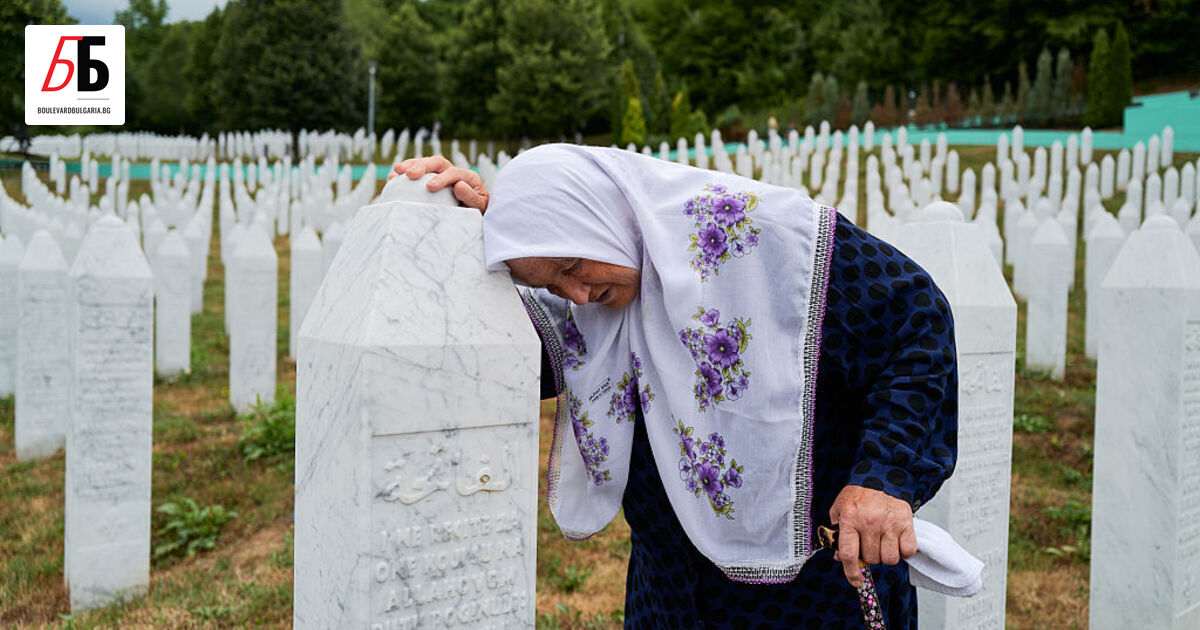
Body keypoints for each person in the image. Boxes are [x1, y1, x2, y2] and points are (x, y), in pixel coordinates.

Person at [391, 145, 957, 629]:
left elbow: (917, 321)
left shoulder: (765, 237)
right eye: (555, 284)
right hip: (669, 591)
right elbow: (522, 366)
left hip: (808, 591)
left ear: (600, 218)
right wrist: (459, 234)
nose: (578, 294)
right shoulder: (592, 291)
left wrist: (886, 478)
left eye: (570, 264)